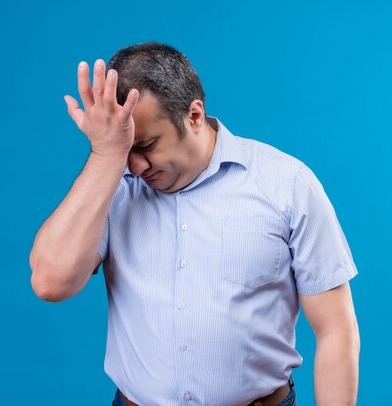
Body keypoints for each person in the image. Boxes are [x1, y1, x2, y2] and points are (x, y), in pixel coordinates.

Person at [29, 41, 360, 406]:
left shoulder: (287, 184)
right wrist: (105, 153)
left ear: (195, 115)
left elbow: (335, 330)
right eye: (125, 151)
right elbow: (49, 282)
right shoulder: (112, 187)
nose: (135, 166)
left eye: (147, 145)